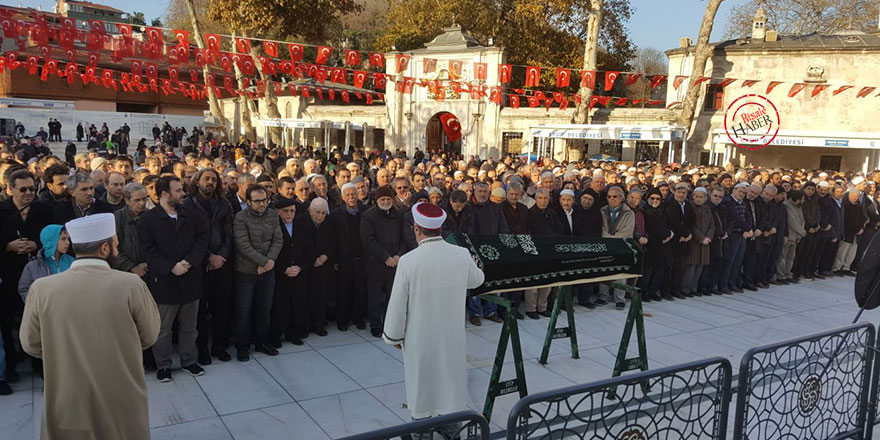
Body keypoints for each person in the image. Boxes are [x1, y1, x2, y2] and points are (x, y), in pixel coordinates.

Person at [20, 213, 161, 440]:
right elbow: (150, 335)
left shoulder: (42, 288)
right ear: (105, 248)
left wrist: (64, 352)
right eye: (116, 243)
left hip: (68, 398)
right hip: (120, 396)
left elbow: (30, 343)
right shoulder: (131, 284)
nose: (118, 247)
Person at [383, 202, 484, 429]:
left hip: (420, 337)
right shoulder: (461, 254)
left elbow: (398, 303)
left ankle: (421, 431)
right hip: (451, 336)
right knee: (450, 380)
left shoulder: (409, 261)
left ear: (416, 229)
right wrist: (474, 265)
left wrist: (394, 336)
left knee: (422, 383)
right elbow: (477, 280)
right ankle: (450, 427)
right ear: (440, 228)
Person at [138, 176, 209, 382]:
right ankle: (163, 365)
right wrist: (170, 267)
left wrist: (189, 262)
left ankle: (188, 360)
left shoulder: (191, 214)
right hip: (165, 283)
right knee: (163, 329)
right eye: (178, 190)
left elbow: (202, 239)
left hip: (190, 279)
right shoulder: (148, 220)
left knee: (189, 327)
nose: (182, 194)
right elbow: (148, 250)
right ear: (164, 194)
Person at [0, 170, 52, 380]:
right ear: (10, 189)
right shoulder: (1, 211)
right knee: (6, 318)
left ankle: (41, 364)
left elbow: (55, 236)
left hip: (37, 273)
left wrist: (36, 245)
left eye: (33, 188)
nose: (29, 193)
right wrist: (8, 246)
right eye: (23, 189)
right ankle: (9, 365)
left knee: (40, 319)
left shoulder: (44, 210)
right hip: (8, 273)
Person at [184, 168, 235, 364]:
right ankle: (202, 348)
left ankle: (219, 346)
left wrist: (220, 256)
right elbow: (188, 237)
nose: (210, 182)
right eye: (206, 179)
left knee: (222, 307)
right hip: (200, 265)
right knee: (200, 311)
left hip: (222, 264)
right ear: (197, 182)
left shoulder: (224, 204)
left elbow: (229, 234)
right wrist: (208, 257)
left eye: (214, 179)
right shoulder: (188, 205)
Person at [233, 184, 283, 361]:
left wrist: (270, 261)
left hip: (267, 271)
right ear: (248, 202)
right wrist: (263, 261)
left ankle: (262, 341)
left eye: (265, 200)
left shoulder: (272, 215)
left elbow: (278, 239)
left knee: (264, 309)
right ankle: (242, 346)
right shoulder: (240, 218)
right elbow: (243, 245)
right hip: (246, 272)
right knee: (244, 310)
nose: (262, 204)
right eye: (258, 201)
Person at [361, 185, 405, 337]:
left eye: (388, 199)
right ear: (376, 200)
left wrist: (398, 255)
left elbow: (404, 238)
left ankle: (390, 323)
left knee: (393, 296)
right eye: (382, 199)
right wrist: (385, 257)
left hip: (395, 263)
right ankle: (375, 325)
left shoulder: (398, 215)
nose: (386, 202)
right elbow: (368, 241)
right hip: (376, 264)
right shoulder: (368, 216)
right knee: (374, 297)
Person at [296, 198, 336, 336]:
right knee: (306, 298)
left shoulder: (329, 222)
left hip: (323, 264)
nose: (320, 216)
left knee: (322, 297)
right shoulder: (300, 221)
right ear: (310, 211)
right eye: (317, 212)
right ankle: (305, 327)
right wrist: (313, 259)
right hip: (307, 265)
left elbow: (333, 242)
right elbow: (300, 244)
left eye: (323, 213)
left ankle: (319, 325)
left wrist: (325, 256)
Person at [332, 183, 369, 331]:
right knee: (344, 291)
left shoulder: (366, 212)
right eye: (348, 195)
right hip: (344, 260)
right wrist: (335, 259)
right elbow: (333, 239)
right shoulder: (336, 214)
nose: (351, 197)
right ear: (342, 197)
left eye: (353, 194)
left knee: (360, 290)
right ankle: (343, 320)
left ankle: (358, 318)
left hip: (362, 259)